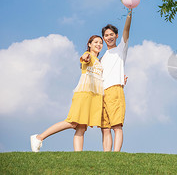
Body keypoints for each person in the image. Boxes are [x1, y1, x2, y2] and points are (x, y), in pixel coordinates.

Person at [30, 35, 104, 152]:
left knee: (82, 127)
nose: (99, 44)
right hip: (83, 94)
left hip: (93, 96)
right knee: (72, 122)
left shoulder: (99, 62)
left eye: (101, 43)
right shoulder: (88, 55)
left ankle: (77, 156)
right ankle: (39, 137)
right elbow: (85, 57)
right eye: (96, 42)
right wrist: (85, 57)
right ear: (89, 44)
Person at [100, 9, 132, 152]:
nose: (109, 37)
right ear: (103, 38)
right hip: (102, 93)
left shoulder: (121, 49)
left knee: (116, 126)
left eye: (111, 34)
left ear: (116, 35)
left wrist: (129, 13)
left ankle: (116, 154)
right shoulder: (102, 57)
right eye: (106, 35)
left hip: (115, 90)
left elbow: (127, 30)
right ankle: (107, 156)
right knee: (105, 128)